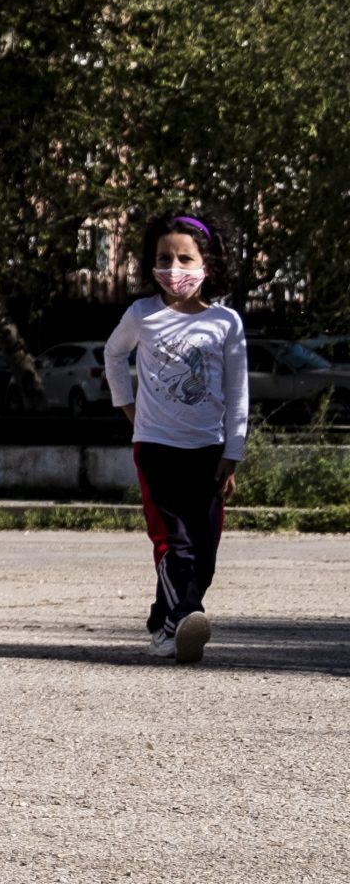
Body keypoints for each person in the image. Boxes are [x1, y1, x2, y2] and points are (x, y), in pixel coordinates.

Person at [102, 210, 248, 663]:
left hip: (208, 451)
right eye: (164, 258)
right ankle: (186, 613)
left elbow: (237, 391)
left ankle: (165, 623)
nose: (174, 269)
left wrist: (233, 452)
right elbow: (112, 354)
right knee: (173, 542)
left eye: (185, 258)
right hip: (157, 447)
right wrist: (127, 407)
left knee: (204, 551)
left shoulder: (226, 323)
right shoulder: (142, 314)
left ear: (208, 263)